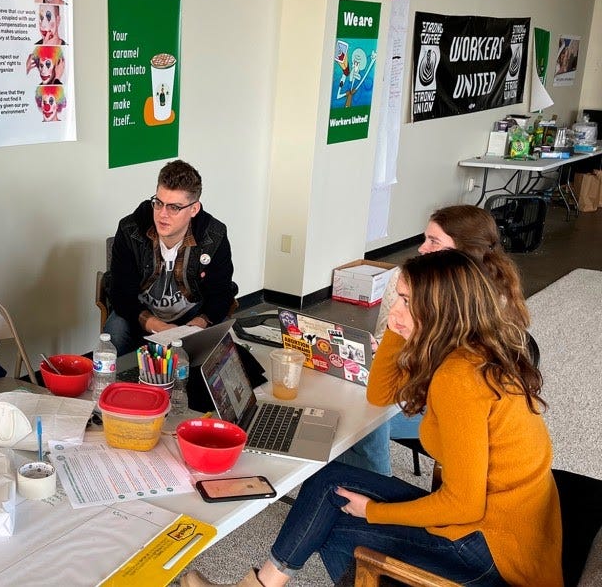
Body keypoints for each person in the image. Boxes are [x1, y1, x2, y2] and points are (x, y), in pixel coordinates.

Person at [183, 250, 561, 587]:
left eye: (408, 302)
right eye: (398, 297)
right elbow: (380, 395)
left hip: (490, 553)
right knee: (328, 482)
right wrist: (398, 327)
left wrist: (374, 511)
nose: (395, 310)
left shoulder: (459, 378)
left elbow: (463, 506)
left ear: (442, 311)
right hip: (508, 529)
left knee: (329, 524)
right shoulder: (469, 348)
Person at [338, 204, 529, 476]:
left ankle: (378, 489)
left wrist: (406, 353)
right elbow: (387, 335)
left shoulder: (490, 304)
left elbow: (457, 384)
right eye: (424, 238)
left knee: (363, 423)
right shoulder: (404, 280)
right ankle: (357, 486)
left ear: (464, 252)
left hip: (442, 404)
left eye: (433, 241)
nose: (422, 248)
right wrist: (394, 332)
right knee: (351, 417)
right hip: (410, 385)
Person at [104, 160, 237, 356]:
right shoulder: (130, 229)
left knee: (227, 344)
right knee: (114, 333)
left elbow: (221, 292)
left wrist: (199, 323)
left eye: (174, 207)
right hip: (140, 312)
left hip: (191, 315)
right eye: (158, 203)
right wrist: (157, 325)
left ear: (194, 209)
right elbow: (121, 294)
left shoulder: (214, 235)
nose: (162, 214)